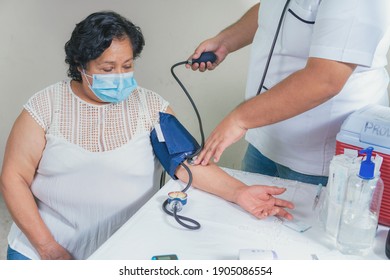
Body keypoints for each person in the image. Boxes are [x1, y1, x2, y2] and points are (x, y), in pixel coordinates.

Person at [0, 11, 294, 260]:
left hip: (124, 248)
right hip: (42, 248)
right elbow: (14, 177)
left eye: (127, 66)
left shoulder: (150, 107)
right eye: (107, 68)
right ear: (80, 66)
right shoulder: (44, 107)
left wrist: (239, 192)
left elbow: (186, 162)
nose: (119, 76)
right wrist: (47, 247)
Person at [187, 0, 390, 186]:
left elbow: (325, 80)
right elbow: (276, 10)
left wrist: (239, 119)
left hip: (320, 161)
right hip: (264, 138)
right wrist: (226, 41)